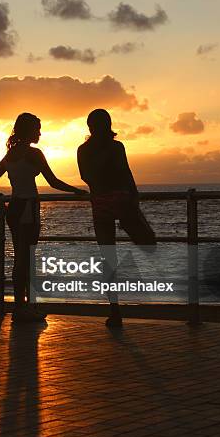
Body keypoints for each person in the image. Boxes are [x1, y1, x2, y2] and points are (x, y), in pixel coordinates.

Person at [0, 112, 86, 323]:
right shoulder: (34, 154)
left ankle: (21, 306)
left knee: (20, 258)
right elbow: (53, 181)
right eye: (37, 129)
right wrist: (77, 192)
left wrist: (0, 203)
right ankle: (24, 308)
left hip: (14, 208)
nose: (40, 133)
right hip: (28, 208)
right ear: (28, 130)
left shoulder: (10, 154)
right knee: (26, 258)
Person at [77, 109, 156, 327]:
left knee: (108, 257)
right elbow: (126, 173)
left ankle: (115, 310)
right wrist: (134, 198)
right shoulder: (115, 147)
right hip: (120, 198)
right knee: (147, 242)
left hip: (101, 201)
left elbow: (86, 176)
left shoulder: (84, 150)